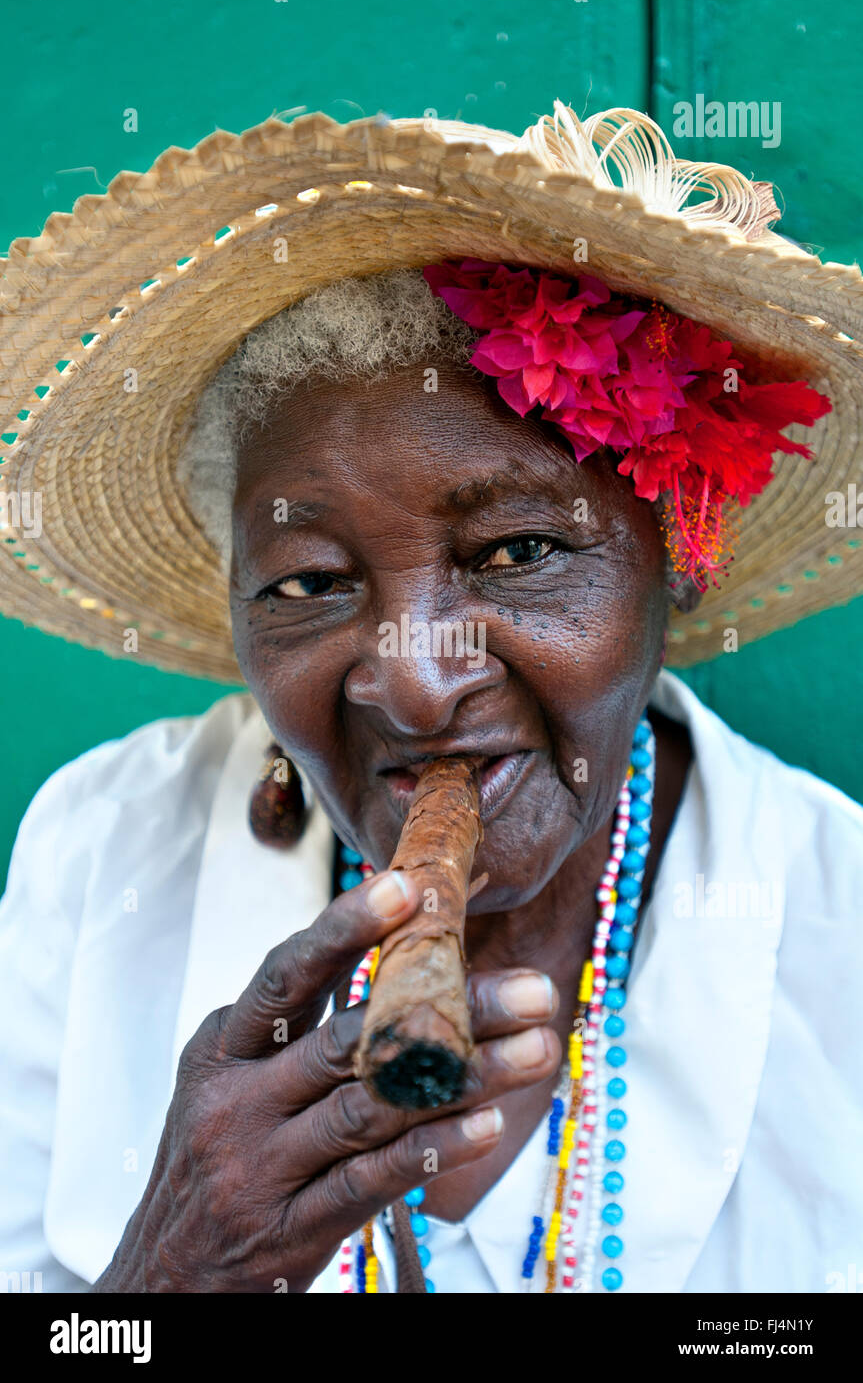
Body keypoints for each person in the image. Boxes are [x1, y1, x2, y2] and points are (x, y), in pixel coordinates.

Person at [0, 102, 861, 1295]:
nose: (414, 679)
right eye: (308, 581)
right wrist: (165, 1282)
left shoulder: (839, 921)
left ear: (666, 553)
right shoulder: (101, 851)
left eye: (514, 553)